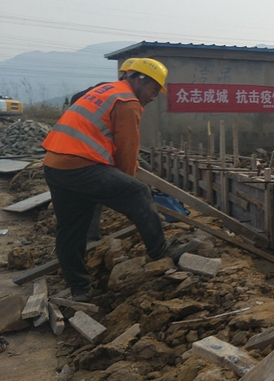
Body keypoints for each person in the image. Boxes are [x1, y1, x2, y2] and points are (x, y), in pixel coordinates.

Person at [42, 57, 197, 302]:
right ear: (139, 80)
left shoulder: (105, 90)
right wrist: (126, 188)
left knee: (70, 230)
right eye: (153, 90)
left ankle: (80, 290)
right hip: (81, 166)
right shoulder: (127, 102)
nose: (153, 97)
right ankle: (161, 252)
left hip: (55, 165)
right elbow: (126, 152)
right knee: (138, 191)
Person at [70, 57, 140, 242]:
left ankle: (86, 238)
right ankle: (90, 239)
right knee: (92, 198)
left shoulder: (105, 92)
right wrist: (127, 183)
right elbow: (124, 146)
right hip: (86, 157)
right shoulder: (119, 99)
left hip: (83, 155)